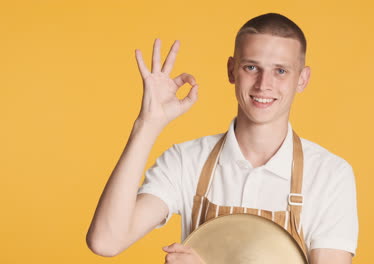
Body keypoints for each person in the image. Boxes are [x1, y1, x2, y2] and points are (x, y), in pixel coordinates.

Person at [86, 13, 358, 264]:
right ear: (231, 70)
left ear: (302, 79)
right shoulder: (186, 160)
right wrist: (147, 124)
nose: (264, 84)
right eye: (251, 67)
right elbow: (106, 241)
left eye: (281, 71)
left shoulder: (329, 175)